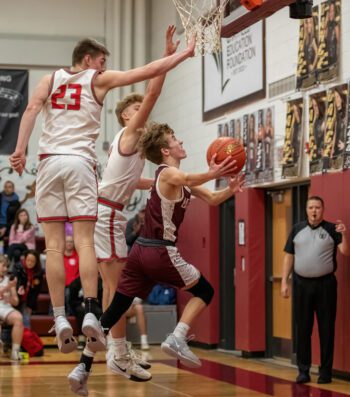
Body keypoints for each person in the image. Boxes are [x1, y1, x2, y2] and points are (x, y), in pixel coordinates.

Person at [9, 30, 196, 356]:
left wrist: (20, 150)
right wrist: (181, 54)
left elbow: (30, 111)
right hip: (81, 164)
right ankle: (94, 314)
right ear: (86, 60)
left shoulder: (48, 79)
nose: (103, 66)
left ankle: (60, 318)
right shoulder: (97, 81)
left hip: (49, 162)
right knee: (84, 244)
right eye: (101, 61)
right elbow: (146, 73)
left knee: (53, 246)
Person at [68, 122, 243, 395]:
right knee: (206, 291)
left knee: (114, 311)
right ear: (164, 150)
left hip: (139, 252)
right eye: (175, 138)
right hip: (161, 251)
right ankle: (177, 337)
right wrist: (213, 171)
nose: (181, 141)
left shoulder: (177, 177)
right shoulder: (167, 173)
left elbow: (211, 198)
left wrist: (230, 189)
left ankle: (83, 367)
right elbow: (187, 180)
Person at [69, 27, 182, 390]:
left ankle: (86, 363)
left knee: (111, 290)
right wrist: (167, 55)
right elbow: (153, 91)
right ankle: (118, 354)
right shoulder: (130, 134)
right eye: (134, 109)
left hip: (102, 210)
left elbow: (135, 182)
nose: (141, 111)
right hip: (107, 214)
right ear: (124, 118)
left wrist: (168, 180)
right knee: (120, 290)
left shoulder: (131, 148)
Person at [281, 196, 350, 384]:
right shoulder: (297, 229)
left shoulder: (332, 229)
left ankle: (325, 372)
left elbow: (345, 251)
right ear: (306, 209)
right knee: (303, 328)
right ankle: (303, 370)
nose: (314, 211)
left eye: (317, 207)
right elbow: (288, 256)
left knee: (327, 329)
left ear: (323, 209)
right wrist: (284, 282)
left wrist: (344, 234)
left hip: (326, 285)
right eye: (310, 207)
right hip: (301, 285)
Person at [0, 255, 24, 362]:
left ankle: (15, 351)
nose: (5, 269)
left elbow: (16, 301)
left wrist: (10, 299)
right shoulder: (9, 284)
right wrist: (7, 288)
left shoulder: (9, 281)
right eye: (3, 266)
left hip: (5, 308)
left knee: (18, 317)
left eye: (7, 266)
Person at [14, 250, 43, 328]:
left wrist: (30, 306)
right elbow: (15, 282)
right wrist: (18, 288)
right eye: (28, 260)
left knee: (26, 317)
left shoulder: (38, 273)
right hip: (16, 299)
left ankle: (26, 336)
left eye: (32, 261)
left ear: (36, 262)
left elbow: (36, 292)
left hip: (28, 300)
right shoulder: (18, 268)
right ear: (25, 259)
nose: (30, 263)